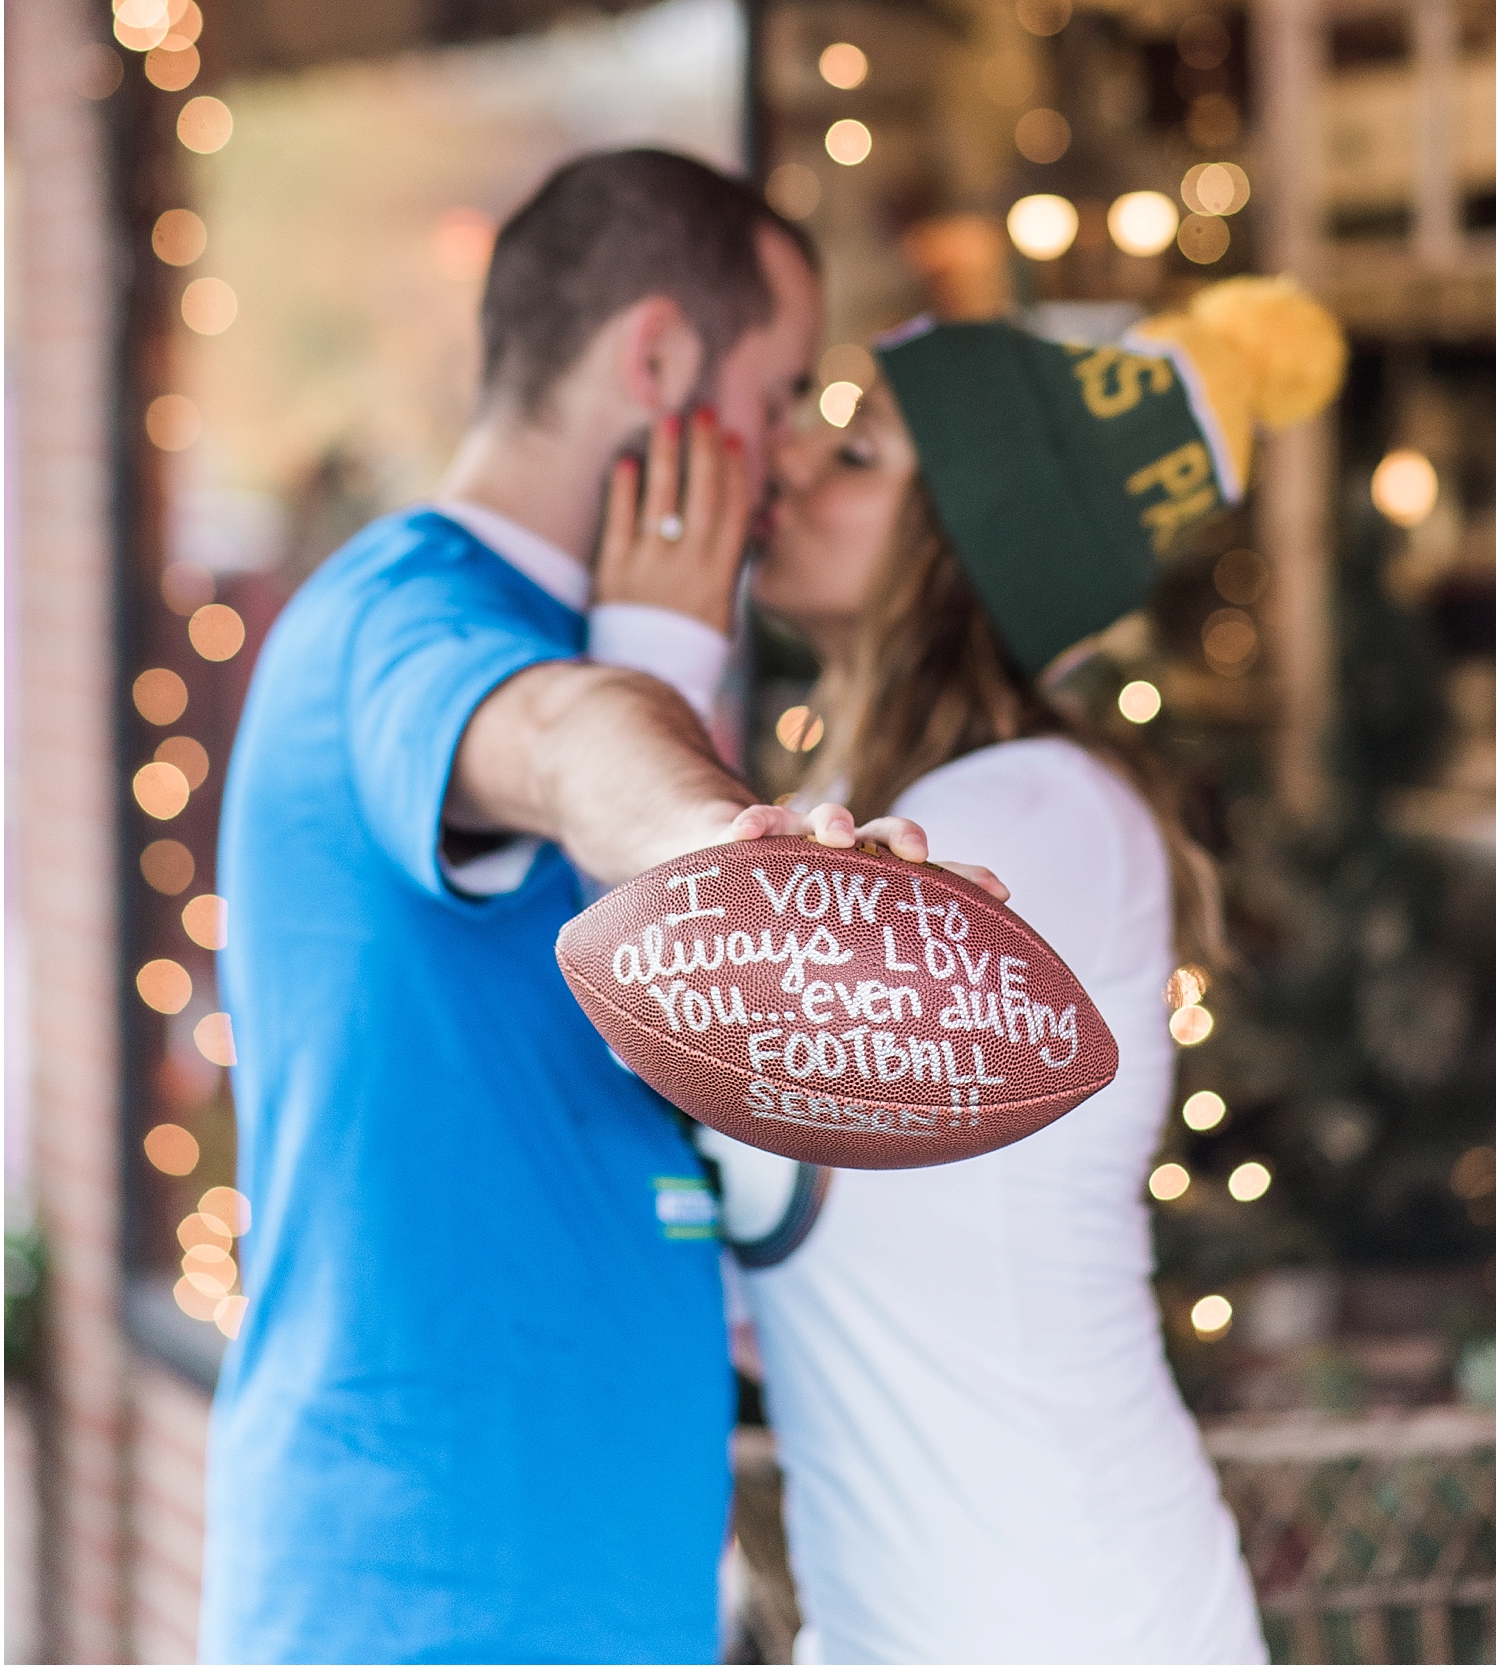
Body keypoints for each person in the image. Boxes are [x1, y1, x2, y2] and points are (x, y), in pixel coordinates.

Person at [197, 148, 1000, 1668]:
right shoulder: (403, 615)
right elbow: (565, 739)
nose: (774, 469)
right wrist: (728, 846)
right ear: (657, 359)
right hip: (431, 1604)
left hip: (573, 1589)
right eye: (771, 406)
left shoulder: (618, 642)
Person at [604, 277, 1347, 1664]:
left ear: (968, 544)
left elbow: (690, 971)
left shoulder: (1045, 814)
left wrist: (643, 657)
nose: (795, 466)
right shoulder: (836, 792)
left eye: (860, 451)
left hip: (1076, 1619)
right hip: (902, 1618)